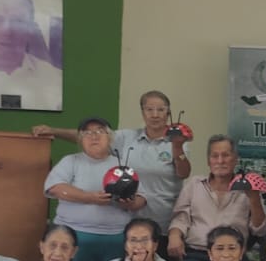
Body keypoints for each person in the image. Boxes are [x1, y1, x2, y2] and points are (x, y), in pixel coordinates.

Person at [35, 90, 190, 236]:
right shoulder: (127, 137)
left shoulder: (177, 140)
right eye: (149, 109)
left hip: (162, 216)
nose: (155, 115)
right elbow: (92, 135)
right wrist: (54, 131)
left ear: (168, 112)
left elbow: (183, 173)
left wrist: (177, 147)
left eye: (161, 109)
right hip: (129, 219)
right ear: (143, 112)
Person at [44, 116, 149, 261]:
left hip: (115, 237)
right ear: (80, 140)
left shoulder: (122, 165)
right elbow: (55, 188)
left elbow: (142, 198)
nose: (94, 136)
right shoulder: (70, 161)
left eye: (100, 131)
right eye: (87, 133)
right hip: (73, 235)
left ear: (110, 138)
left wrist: (129, 203)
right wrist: (89, 197)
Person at [166, 134, 266, 261]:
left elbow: (260, 230)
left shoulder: (248, 188)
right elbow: (180, 218)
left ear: (235, 159)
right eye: (215, 156)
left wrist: (254, 199)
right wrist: (174, 236)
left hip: (233, 256)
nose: (220, 161)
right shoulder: (195, 185)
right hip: (196, 254)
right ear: (208, 161)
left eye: (226, 155)